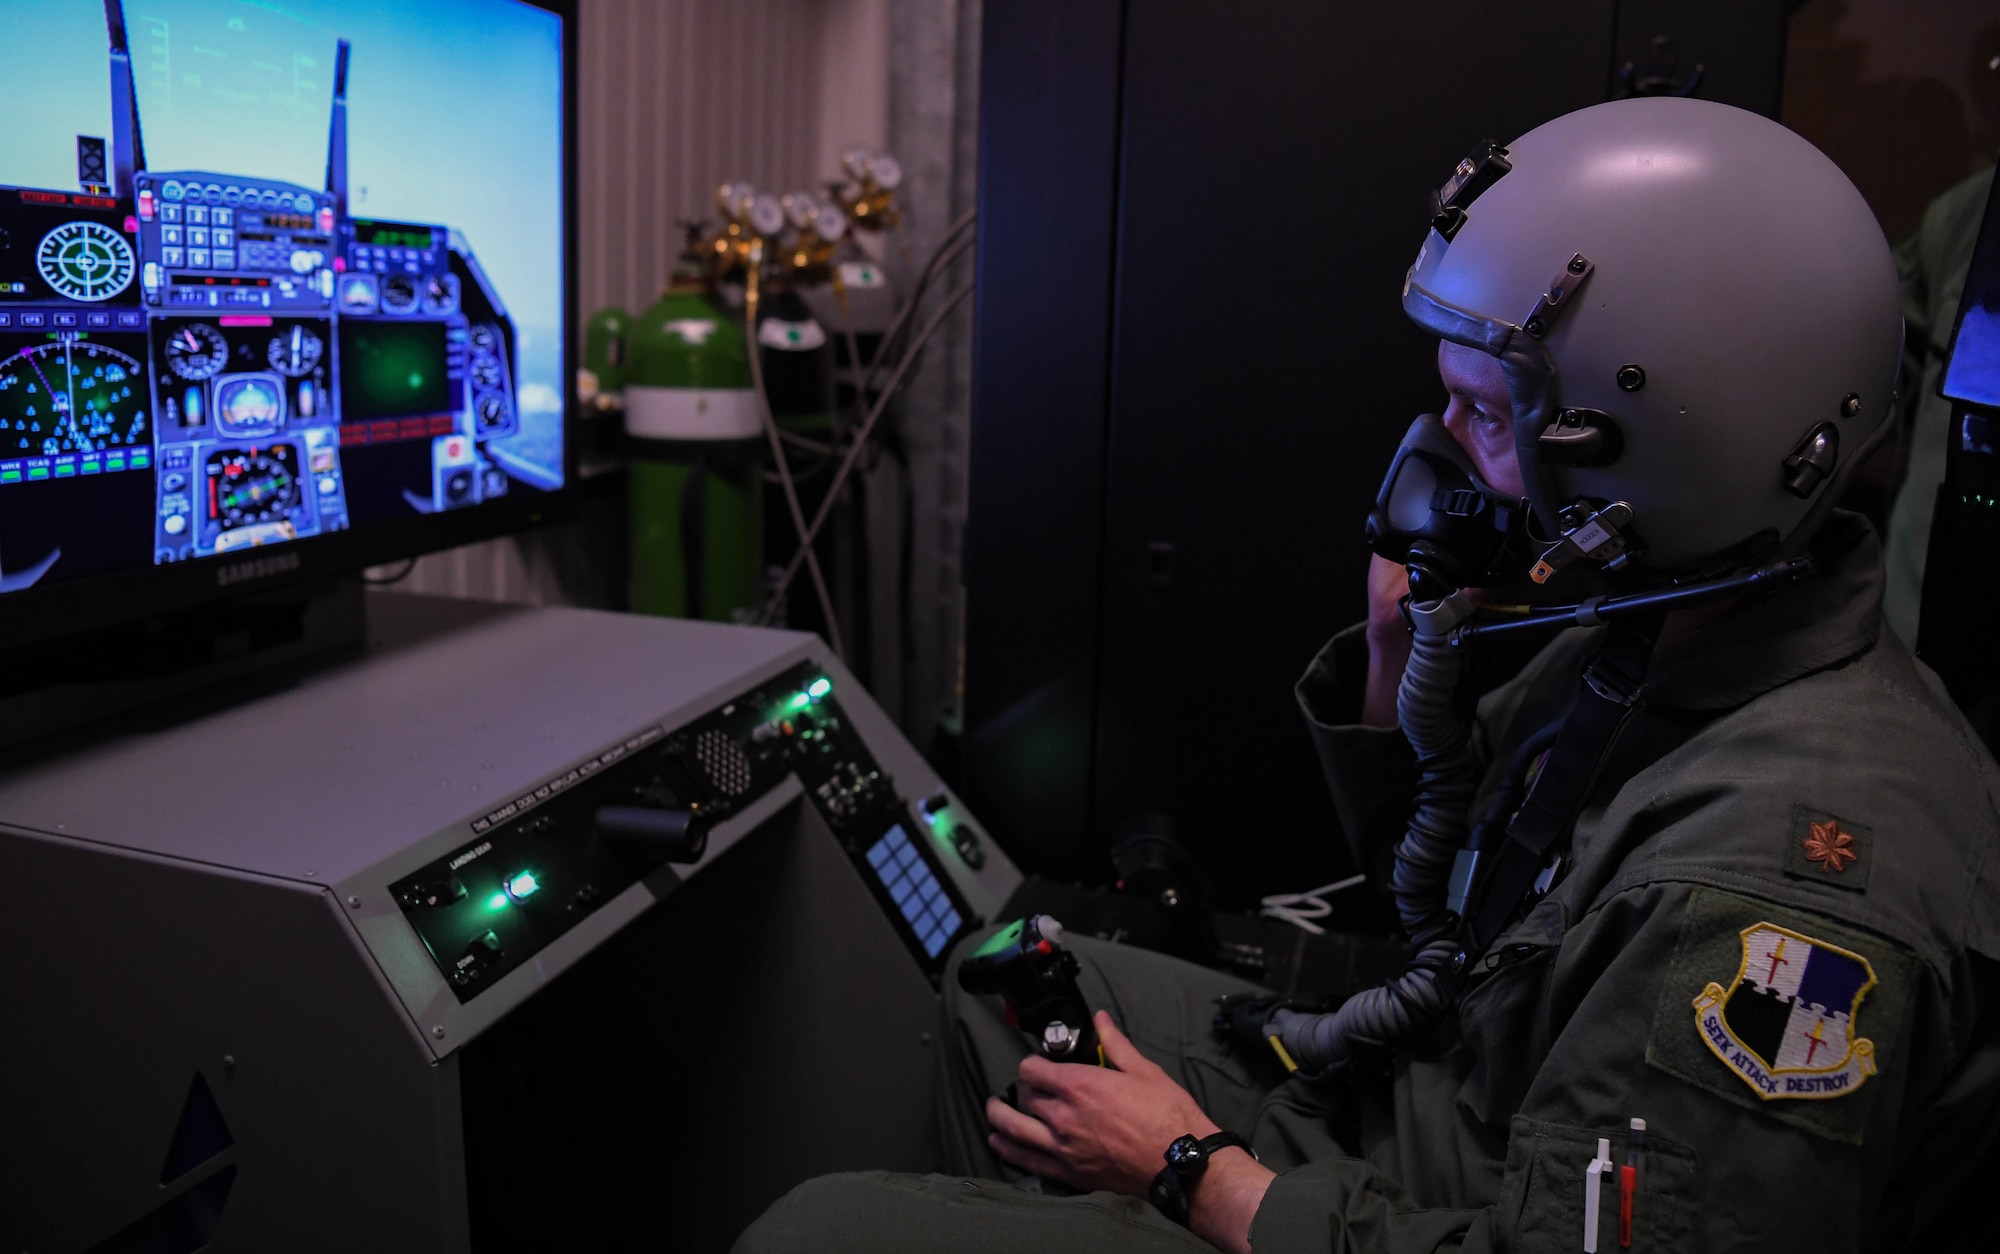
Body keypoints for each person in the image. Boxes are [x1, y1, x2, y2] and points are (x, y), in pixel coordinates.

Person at [734, 97, 2000, 1253]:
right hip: (1461, 1103)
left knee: (812, 1234)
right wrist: (1398, 650)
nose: (1435, 449)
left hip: (1495, 1198)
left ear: (1670, 460)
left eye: (1487, 415)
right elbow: (1440, 886)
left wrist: (1192, 1172)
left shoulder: (1772, 896)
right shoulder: (1661, 626)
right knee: (995, 988)